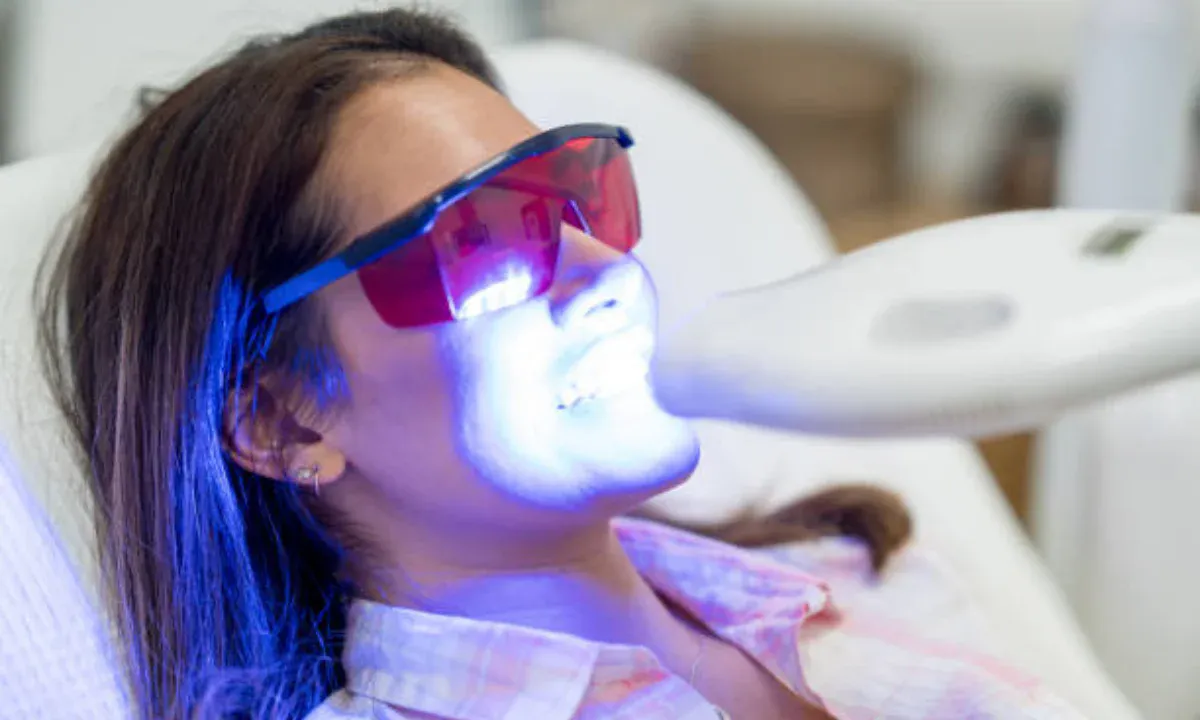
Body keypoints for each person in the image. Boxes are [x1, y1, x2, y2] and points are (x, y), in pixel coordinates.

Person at [38, 8, 1082, 719]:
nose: (603, 272)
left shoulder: (844, 570)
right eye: (484, 242)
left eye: (581, 200)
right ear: (286, 421)